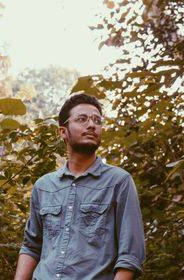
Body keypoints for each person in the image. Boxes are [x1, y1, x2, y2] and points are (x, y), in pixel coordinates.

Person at [14, 93, 145, 280]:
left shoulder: (119, 182)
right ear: (63, 132)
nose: (92, 125)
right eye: (82, 119)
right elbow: (31, 246)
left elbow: (130, 255)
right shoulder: (44, 186)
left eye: (97, 121)